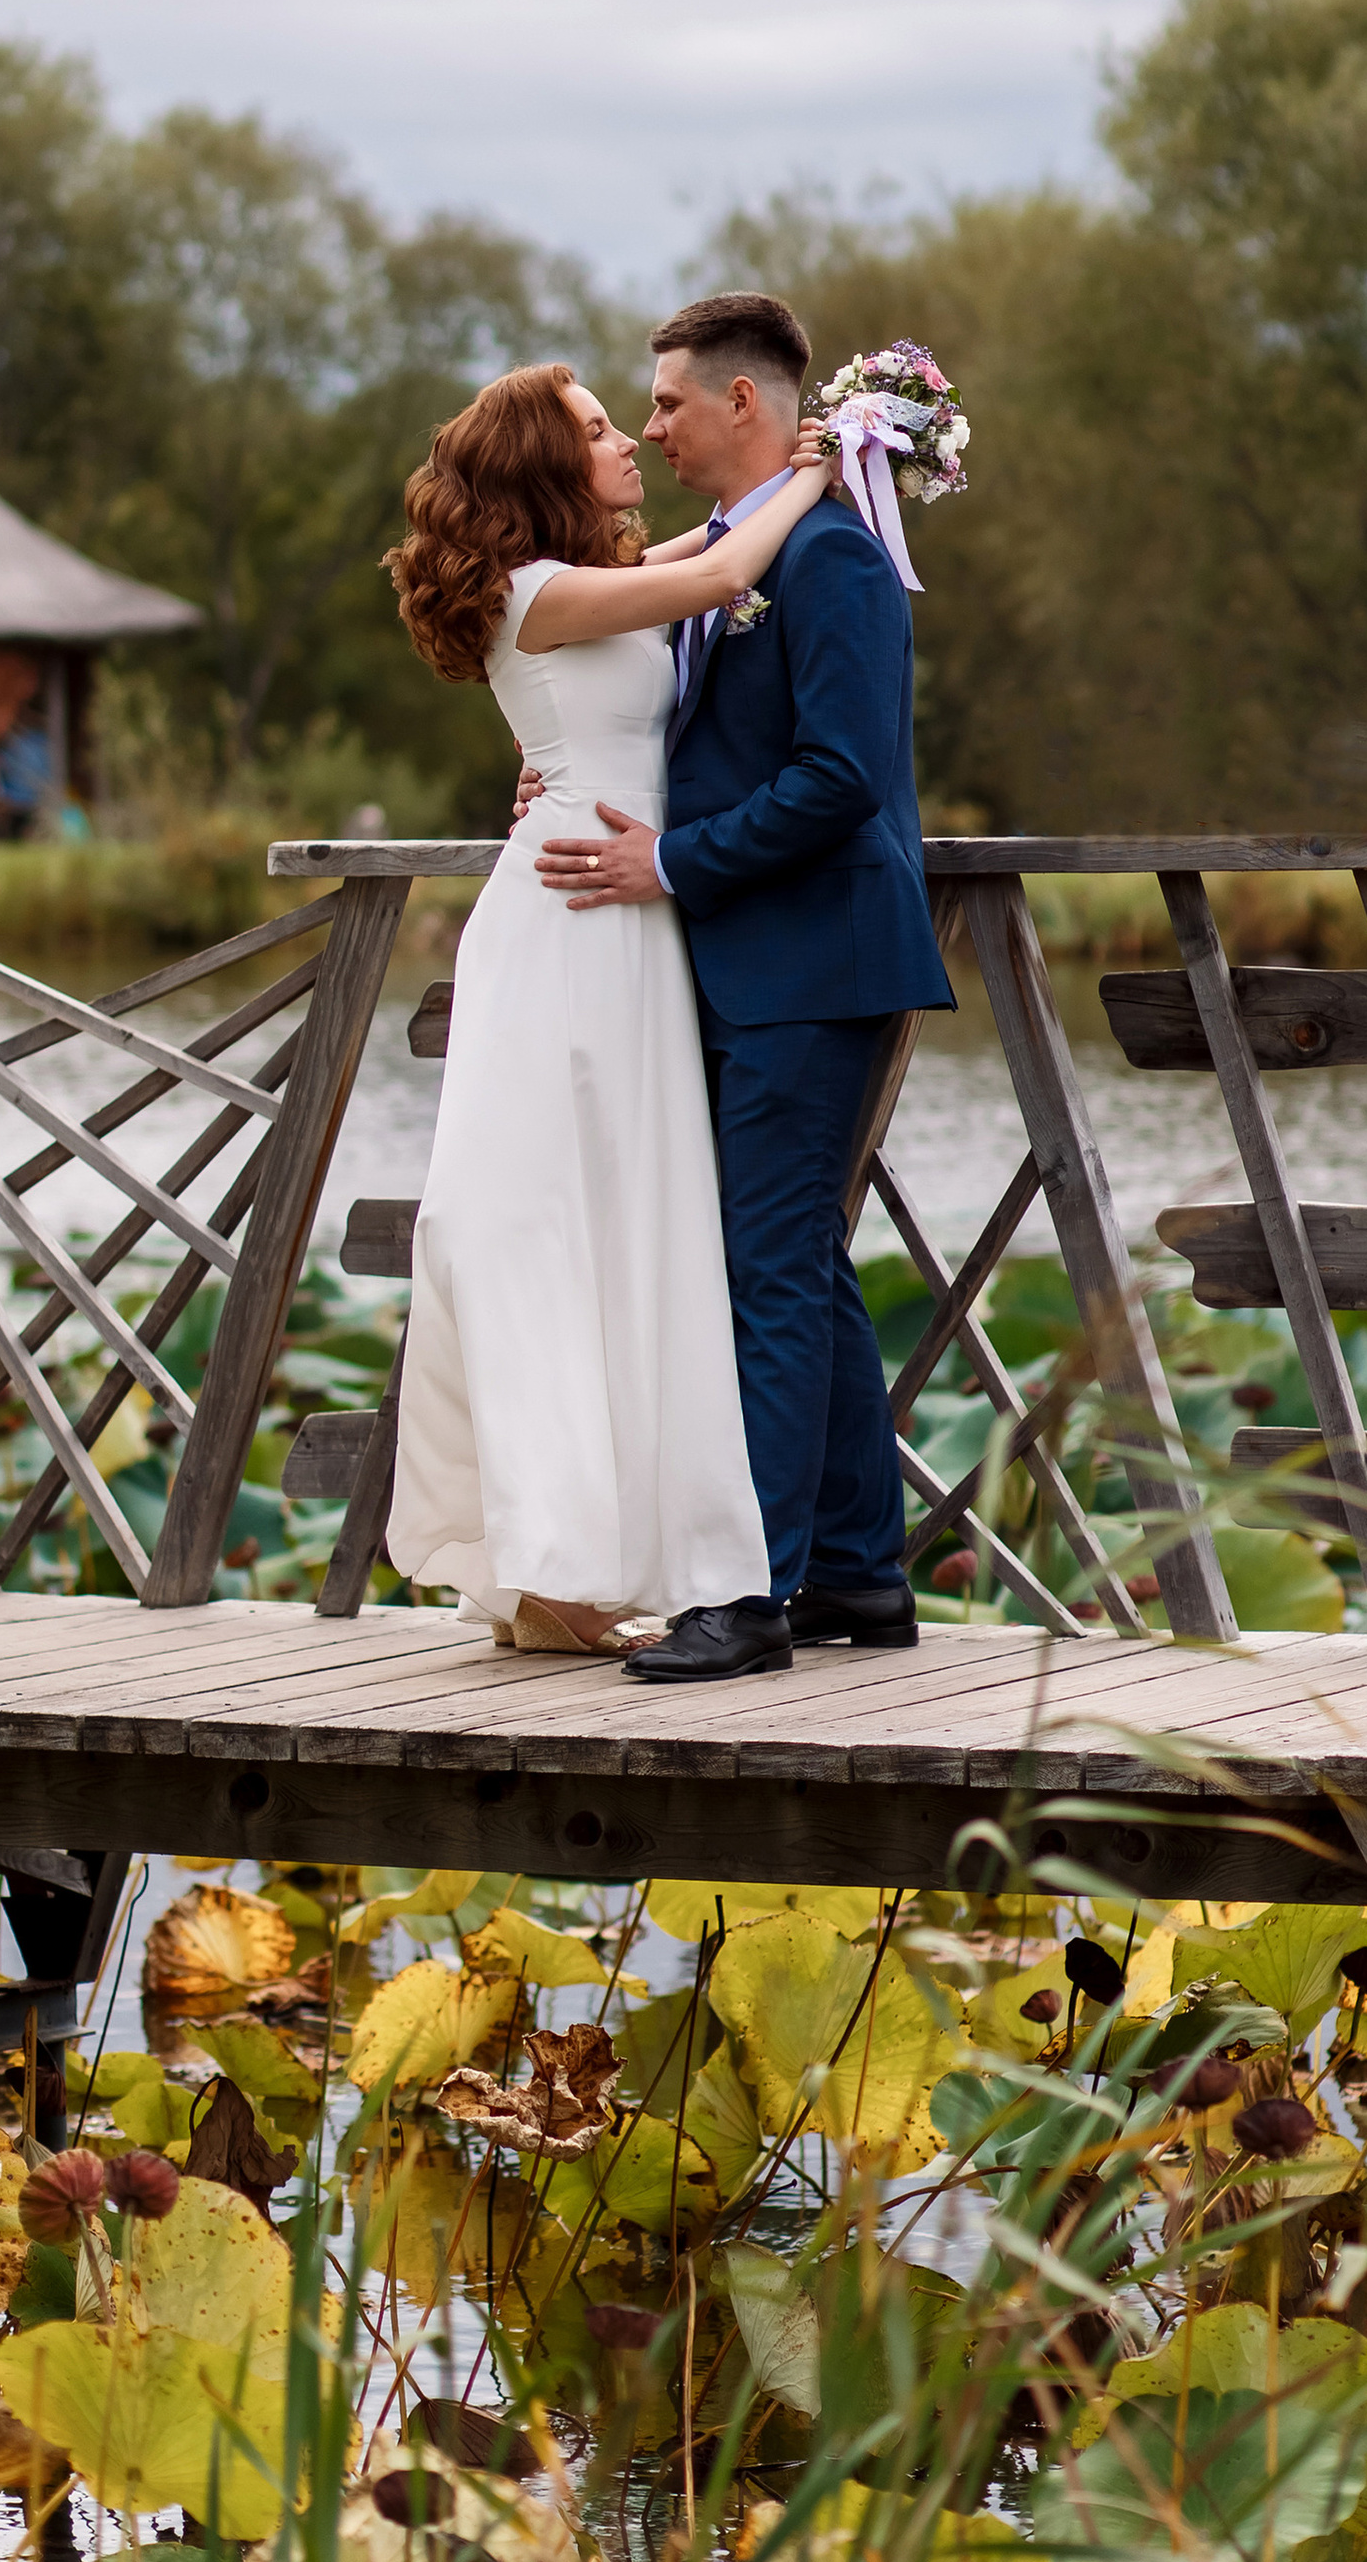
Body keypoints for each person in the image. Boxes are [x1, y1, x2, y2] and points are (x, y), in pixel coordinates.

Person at [532, 290, 955, 1685]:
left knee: (764, 1268)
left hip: (813, 961)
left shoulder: (829, 559)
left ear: (740, 402)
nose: (651, 428)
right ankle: (857, 1574)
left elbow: (840, 778)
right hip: (757, 960)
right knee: (798, 1265)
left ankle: (749, 1593)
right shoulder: (739, 551)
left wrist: (670, 863)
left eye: (665, 402)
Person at [379, 361, 834, 1648]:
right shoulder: (539, 592)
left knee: (623, 1217)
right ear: (543, 468)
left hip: (629, 913)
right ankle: (550, 1567)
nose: (628, 441)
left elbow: (701, 550)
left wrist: (820, 465)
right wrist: (816, 469)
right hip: (571, 918)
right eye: (593, 432)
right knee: (537, 1219)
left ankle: (586, 1568)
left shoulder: (587, 583)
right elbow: (721, 572)